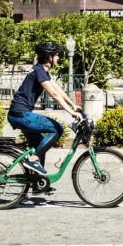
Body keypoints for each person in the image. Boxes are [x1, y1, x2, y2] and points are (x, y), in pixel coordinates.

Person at [7, 41, 82, 177]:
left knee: (41, 146)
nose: (58, 58)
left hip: (20, 113)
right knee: (57, 129)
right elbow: (53, 94)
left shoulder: (41, 71)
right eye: (56, 55)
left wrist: (73, 104)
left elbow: (57, 89)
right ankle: (33, 160)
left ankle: (38, 183)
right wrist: (70, 112)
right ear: (49, 57)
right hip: (20, 114)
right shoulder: (39, 71)